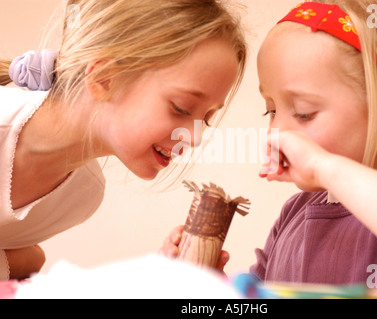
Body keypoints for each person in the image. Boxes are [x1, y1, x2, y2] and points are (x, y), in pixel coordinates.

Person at [162, 0, 377, 286]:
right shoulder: (293, 215)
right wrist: (207, 282)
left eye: (303, 113)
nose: (276, 131)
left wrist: (324, 167)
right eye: (271, 111)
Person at [0, 0, 247, 281]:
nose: (193, 138)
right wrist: (21, 262)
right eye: (181, 107)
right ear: (105, 78)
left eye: (205, 118)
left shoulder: (81, 197)